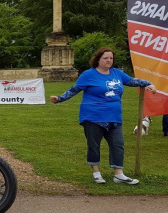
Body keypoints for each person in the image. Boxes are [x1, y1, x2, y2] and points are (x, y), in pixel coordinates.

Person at [50, 47, 157, 185]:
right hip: (93, 117)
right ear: (98, 59)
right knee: (94, 145)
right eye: (105, 58)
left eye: (111, 58)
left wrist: (148, 84)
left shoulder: (117, 73)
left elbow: (131, 81)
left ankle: (119, 174)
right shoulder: (89, 75)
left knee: (118, 145)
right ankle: (96, 172)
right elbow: (74, 89)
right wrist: (59, 99)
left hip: (114, 116)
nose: (109, 60)